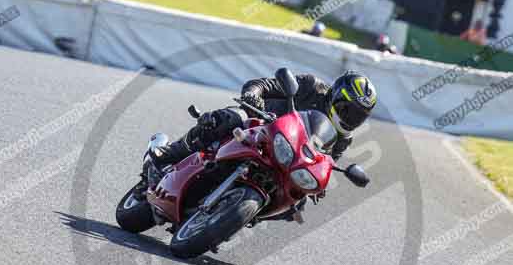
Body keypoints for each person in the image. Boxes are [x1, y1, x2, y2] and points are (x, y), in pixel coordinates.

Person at [140, 71, 377, 192]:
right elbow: (265, 84)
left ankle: (227, 215)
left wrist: (319, 182)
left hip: (285, 161)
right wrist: (254, 94)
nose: (350, 119)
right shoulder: (311, 86)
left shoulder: (343, 138)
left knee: (295, 202)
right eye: (349, 110)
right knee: (227, 119)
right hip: (258, 126)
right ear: (335, 96)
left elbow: (326, 162)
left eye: (358, 116)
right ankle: (169, 152)